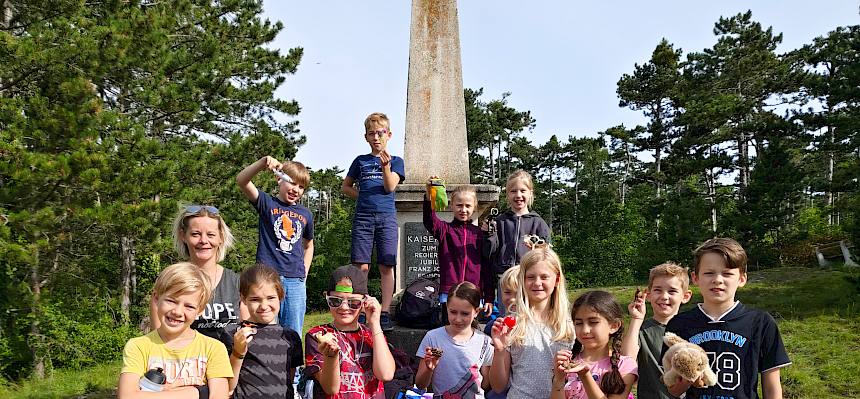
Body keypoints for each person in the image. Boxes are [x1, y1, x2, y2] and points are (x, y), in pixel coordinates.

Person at [666, 238, 791, 399]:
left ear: (741, 279)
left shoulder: (760, 323)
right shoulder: (679, 324)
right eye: (709, 273)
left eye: (727, 273)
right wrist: (689, 377)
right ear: (695, 278)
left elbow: (772, 386)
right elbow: (673, 390)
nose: (717, 279)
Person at [119, 262, 232, 399]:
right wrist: (197, 393)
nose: (178, 312)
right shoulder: (138, 346)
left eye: (189, 306)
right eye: (171, 301)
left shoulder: (214, 348)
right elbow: (127, 396)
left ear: (200, 310)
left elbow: (219, 395)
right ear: (156, 298)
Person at [341, 112, 405, 331]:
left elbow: (390, 187)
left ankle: (385, 310)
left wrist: (386, 167)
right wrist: (363, 196)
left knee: (386, 264)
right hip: (364, 217)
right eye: (372, 134)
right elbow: (345, 187)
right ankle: (361, 306)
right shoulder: (360, 161)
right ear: (366, 137)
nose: (376, 138)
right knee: (361, 266)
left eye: (381, 133)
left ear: (389, 134)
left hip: (386, 217)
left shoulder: (396, 161)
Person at [152, 205, 248, 350]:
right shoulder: (170, 281)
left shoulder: (237, 283)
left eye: (210, 235)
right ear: (183, 235)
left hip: (229, 368)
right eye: (196, 234)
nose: (203, 240)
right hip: (184, 367)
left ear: (221, 237)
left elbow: (248, 335)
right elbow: (158, 340)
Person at [237, 157, 314, 335]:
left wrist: (304, 272)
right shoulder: (267, 203)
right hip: (268, 278)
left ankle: (293, 364)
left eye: (301, 187)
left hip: (295, 280)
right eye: (292, 183)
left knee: (293, 332)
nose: (296, 189)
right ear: (279, 179)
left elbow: (308, 245)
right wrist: (263, 163)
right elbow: (242, 180)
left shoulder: (305, 214)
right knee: (265, 328)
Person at [489, 243, 574, 399]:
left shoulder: (570, 323)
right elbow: (498, 386)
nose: (537, 283)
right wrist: (500, 351)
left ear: (557, 279)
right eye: (530, 277)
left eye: (544, 277)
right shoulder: (512, 323)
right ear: (522, 280)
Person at [304, 265, 396, 398]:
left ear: (365, 302)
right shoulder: (318, 336)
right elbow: (331, 388)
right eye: (335, 301)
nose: (344, 307)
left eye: (353, 302)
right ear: (327, 298)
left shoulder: (372, 334)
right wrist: (331, 357)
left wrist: (375, 324)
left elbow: (386, 374)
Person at [423, 178, 494, 324]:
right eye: (459, 205)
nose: (463, 210)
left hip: (473, 293)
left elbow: (487, 269)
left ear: (474, 206)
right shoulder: (445, 230)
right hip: (450, 291)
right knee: (448, 331)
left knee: (472, 332)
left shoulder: (480, 234)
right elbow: (430, 220)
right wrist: (429, 195)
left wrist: (489, 298)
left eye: (468, 206)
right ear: (452, 206)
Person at [228, 264, 303, 399]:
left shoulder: (291, 337)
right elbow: (228, 386)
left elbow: (289, 381)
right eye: (255, 299)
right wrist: (237, 353)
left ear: (280, 295)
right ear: (243, 298)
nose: (264, 306)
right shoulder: (235, 334)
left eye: (270, 298)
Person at [619, 262, 691, 399]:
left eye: (672, 291)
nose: (664, 296)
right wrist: (636, 319)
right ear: (649, 294)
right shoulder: (642, 330)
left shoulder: (692, 328)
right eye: (658, 290)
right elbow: (627, 358)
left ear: (685, 296)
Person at [483, 170, 550, 317]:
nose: (518, 195)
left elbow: (547, 256)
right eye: (513, 191)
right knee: (507, 317)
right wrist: (488, 235)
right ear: (507, 195)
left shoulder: (538, 223)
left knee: (530, 316)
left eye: (523, 191)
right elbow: (489, 253)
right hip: (505, 278)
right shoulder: (499, 222)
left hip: (529, 278)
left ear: (530, 193)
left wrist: (537, 251)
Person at [551, 290, 638, 399]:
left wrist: (585, 376)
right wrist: (558, 380)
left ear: (614, 326)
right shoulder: (569, 362)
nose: (585, 330)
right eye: (579, 323)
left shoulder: (625, 365)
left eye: (593, 322)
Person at [415, 282, 494, 398]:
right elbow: (420, 385)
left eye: (465, 314)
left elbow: (486, 384)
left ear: (476, 312)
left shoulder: (484, 341)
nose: (458, 319)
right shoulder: (433, 338)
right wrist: (428, 369)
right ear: (446, 307)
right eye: (453, 312)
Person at [483, 265, 520, 337]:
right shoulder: (493, 327)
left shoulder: (537, 326)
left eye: (518, 293)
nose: (512, 299)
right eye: (507, 292)